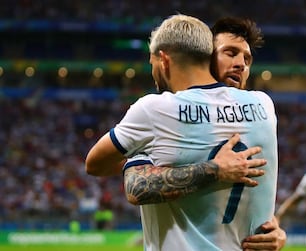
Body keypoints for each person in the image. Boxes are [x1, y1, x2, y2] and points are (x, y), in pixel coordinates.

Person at [86, 14, 279, 251]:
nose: (241, 64)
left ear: (163, 60)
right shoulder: (265, 107)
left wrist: (213, 170)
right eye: (230, 53)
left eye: (247, 59)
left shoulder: (156, 111)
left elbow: (100, 167)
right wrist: (273, 228)